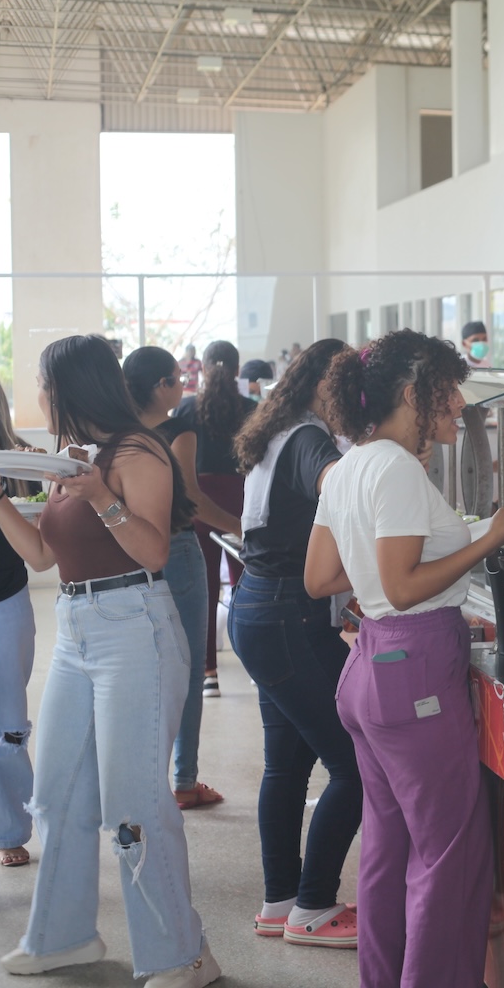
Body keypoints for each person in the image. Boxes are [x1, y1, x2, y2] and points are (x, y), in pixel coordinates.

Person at [0, 335, 219, 986]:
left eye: (41, 378)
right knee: (56, 796)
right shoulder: (74, 456)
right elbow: (40, 557)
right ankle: (61, 937)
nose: (36, 389)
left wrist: (100, 498)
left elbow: (150, 551)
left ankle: (185, 955)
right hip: (75, 625)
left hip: (134, 628)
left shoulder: (137, 451)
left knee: (135, 802)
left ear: (68, 385)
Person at [304, 329, 504, 987]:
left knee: (387, 849)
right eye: (448, 389)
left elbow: (321, 578)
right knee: (450, 857)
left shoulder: (349, 465)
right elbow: (403, 585)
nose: (459, 403)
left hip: (369, 671)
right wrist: (491, 538)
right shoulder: (399, 468)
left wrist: (377, 584)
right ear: (412, 393)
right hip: (416, 668)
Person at [228, 338, 363, 949]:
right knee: (356, 764)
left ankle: (280, 900)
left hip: (261, 609)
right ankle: (313, 907)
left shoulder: (278, 430)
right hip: (288, 616)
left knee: (287, 764)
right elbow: (338, 484)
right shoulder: (310, 438)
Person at [123, 346, 225, 810]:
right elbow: (193, 498)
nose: (183, 386)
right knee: (183, 667)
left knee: (144, 669)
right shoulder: (177, 429)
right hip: (178, 550)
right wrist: (244, 528)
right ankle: (183, 781)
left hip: (129, 554)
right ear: (162, 386)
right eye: (178, 379)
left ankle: (142, 779)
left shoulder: (116, 432)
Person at [173, 341, 257, 698]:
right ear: (238, 370)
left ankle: (209, 671)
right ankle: (255, 662)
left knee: (205, 589)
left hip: (199, 503)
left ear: (203, 369)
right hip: (239, 500)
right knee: (245, 587)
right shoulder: (253, 408)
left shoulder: (186, 408)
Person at [0, 349, 37, 869]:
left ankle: (8, 828)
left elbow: (39, 535)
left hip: (3, 599)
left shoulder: (12, 455)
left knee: (8, 725)